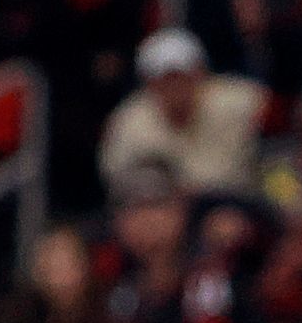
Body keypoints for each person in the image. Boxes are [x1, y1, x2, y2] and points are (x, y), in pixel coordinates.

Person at [96, 33, 267, 201]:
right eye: (165, 80)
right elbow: (117, 181)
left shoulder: (241, 102)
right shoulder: (128, 123)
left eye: (182, 77)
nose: (175, 87)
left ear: (201, 74)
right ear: (148, 83)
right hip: (166, 214)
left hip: (241, 206)